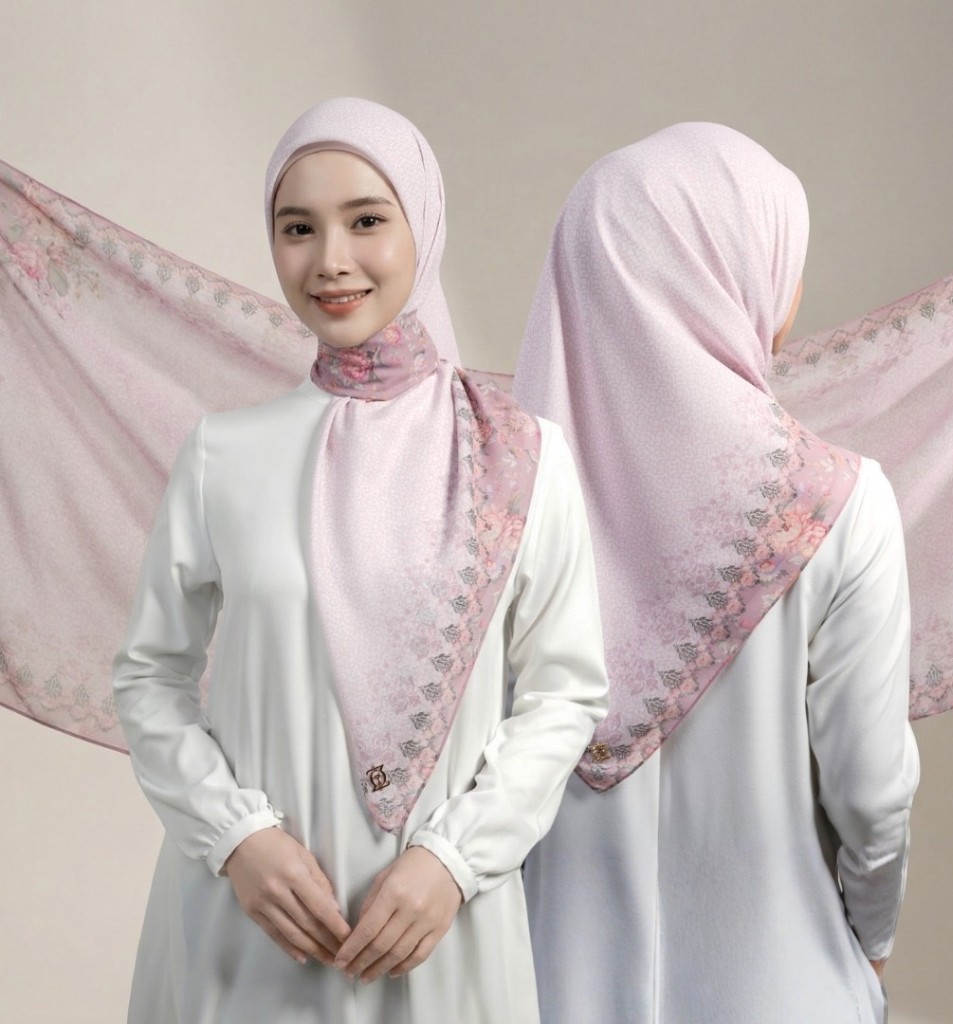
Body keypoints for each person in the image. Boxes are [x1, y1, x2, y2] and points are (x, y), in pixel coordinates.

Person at [112, 97, 608, 1024]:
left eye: (368, 221)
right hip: (249, 931)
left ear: (424, 227)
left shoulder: (520, 458)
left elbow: (565, 693)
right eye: (298, 228)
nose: (331, 260)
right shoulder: (224, 455)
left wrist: (454, 862)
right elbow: (149, 676)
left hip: (439, 935)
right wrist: (235, 838)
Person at [514, 123, 920, 1023]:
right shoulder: (840, 506)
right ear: (737, 269)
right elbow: (872, 789)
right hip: (786, 985)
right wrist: (873, 937)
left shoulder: (504, 513)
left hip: (546, 989)